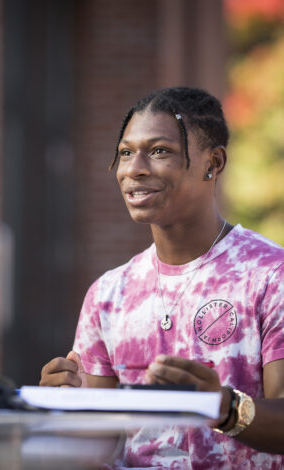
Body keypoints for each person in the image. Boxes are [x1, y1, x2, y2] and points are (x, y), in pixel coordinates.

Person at [40, 87, 284, 466]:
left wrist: (225, 407)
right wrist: (63, 406)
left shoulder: (270, 275)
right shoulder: (108, 294)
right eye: (125, 153)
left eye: (159, 151)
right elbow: (99, 442)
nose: (134, 168)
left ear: (213, 163)